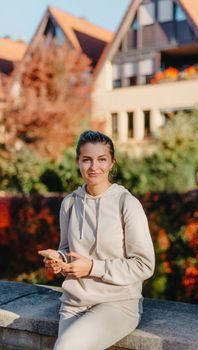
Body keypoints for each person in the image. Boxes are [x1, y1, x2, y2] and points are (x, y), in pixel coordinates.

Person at [39, 130, 155, 350]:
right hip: (74, 303)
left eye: (102, 159)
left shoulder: (126, 203)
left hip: (117, 303)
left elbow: (145, 265)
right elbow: (67, 249)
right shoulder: (70, 203)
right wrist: (58, 259)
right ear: (78, 162)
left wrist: (92, 267)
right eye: (87, 160)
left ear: (112, 163)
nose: (94, 167)